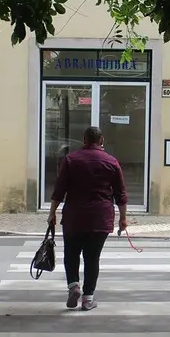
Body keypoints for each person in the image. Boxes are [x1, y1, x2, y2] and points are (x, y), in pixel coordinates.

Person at [48, 126, 128, 311]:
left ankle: (73, 285)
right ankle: (88, 299)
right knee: (92, 258)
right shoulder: (112, 162)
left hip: (74, 217)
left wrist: (52, 213)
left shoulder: (71, 160)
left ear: (84, 140)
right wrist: (123, 219)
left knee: (71, 253)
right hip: (100, 217)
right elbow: (120, 194)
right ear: (101, 140)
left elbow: (59, 190)